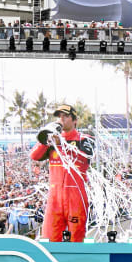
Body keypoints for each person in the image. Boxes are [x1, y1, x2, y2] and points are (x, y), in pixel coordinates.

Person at [29, 104, 94, 242]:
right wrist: (46, 141)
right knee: (48, 238)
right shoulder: (52, 140)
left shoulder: (85, 138)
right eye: (59, 116)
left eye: (65, 116)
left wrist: (62, 144)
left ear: (75, 120)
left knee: (76, 238)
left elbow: (86, 157)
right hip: (55, 198)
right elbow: (34, 156)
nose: (61, 119)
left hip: (76, 196)